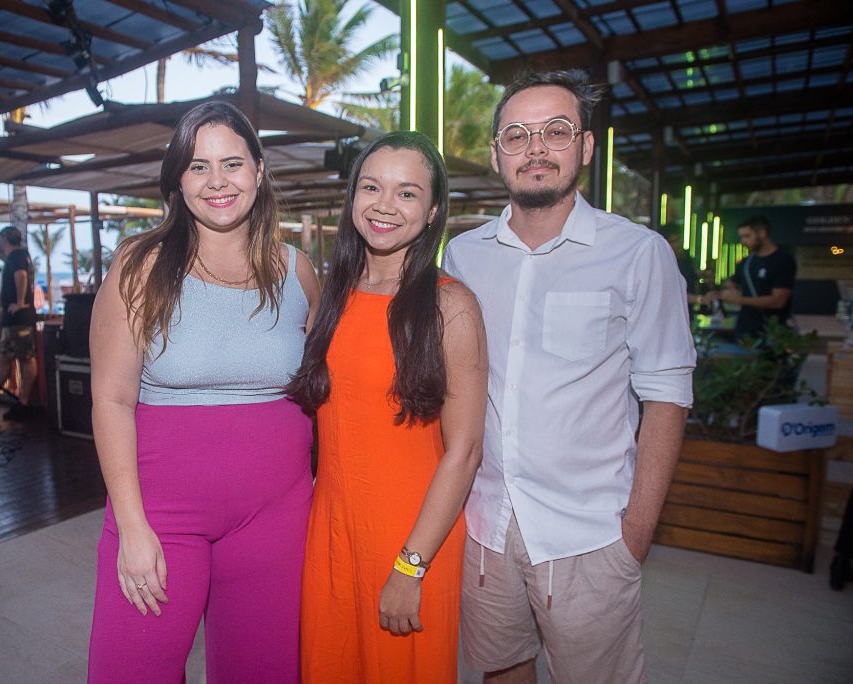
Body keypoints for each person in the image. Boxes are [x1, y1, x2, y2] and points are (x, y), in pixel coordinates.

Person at [442, 70, 695, 684]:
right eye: (517, 135)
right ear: (497, 154)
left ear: (585, 147)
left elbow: (667, 394)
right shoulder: (463, 256)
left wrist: (637, 532)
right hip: (484, 524)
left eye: (556, 131)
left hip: (589, 533)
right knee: (501, 671)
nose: (536, 148)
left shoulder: (637, 253)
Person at [87, 101, 321, 684]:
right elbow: (111, 399)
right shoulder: (139, 267)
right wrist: (132, 526)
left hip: (277, 512)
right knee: (131, 670)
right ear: (178, 180)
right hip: (161, 513)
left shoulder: (297, 272)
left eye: (232, 163)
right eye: (198, 166)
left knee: (264, 672)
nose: (218, 181)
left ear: (259, 171)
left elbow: (324, 385)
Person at [289, 131, 487, 683]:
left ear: (433, 211)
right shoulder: (333, 293)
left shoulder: (451, 305)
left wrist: (410, 566)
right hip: (331, 531)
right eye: (371, 187)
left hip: (412, 538)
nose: (384, 204)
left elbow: (465, 451)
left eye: (407, 193)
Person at [711, 215, 796, 341]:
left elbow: (778, 301)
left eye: (747, 236)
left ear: (762, 233)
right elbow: (732, 283)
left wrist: (740, 300)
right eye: (741, 237)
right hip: (745, 330)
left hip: (772, 332)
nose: (743, 241)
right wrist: (716, 285)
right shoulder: (746, 262)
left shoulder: (783, 261)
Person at [0, 225, 38, 420]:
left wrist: (20, 302)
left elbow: (21, 275)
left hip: (19, 319)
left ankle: (23, 402)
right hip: (12, 320)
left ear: (5, 239)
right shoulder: (17, 257)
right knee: (6, 359)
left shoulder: (16, 256)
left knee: (25, 358)